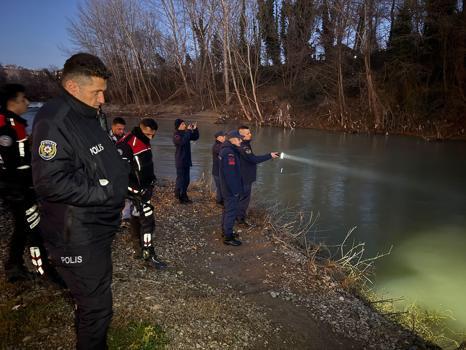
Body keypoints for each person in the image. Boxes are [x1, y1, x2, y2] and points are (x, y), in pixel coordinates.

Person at [31, 53, 128, 350]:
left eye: (104, 92)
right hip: (76, 234)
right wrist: (105, 192)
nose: (102, 99)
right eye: (96, 92)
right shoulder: (54, 120)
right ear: (72, 87)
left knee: (96, 294)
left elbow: (94, 158)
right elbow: (50, 181)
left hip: (97, 226)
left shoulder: (90, 113)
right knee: (96, 309)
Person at [0, 83, 56, 283]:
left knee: (22, 228)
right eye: (23, 99)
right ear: (12, 102)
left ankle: (14, 267)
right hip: (17, 189)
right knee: (34, 228)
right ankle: (45, 272)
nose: (27, 102)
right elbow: (8, 164)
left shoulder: (17, 124)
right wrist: (20, 189)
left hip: (21, 187)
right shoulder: (7, 127)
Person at [116, 118, 167, 269]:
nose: (151, 137)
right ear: (142, 128)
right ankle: (149, 254)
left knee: (137, 216)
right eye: (149, 134)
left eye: (153, 135)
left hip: (145, 187)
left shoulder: (143, 140)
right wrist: (134, 190)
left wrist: (151, 180)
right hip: (137, 189)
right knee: (148, 221)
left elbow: (144, 166)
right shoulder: (127, 143)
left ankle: (138, 250)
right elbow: (121, 170)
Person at [237, 126, 279, 227]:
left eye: (250, 132)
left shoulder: (242, 145)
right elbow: (253, 159)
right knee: (244, 199)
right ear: (242, 136)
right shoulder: (244, 147)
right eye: (248, 133)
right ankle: (240, 220)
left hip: (242, 176)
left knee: (240, 198)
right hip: (245, 177)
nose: (250, 134)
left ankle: (237, 216)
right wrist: (270, 155)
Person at [219, 130, 244, 246]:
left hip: (226, 187)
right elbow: (229, 174)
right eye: (239, 139)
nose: (241, 141)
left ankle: (225, 231)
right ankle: (228, 237)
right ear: (233, 139)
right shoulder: (229, 153)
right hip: (230, 189)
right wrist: (235, 191)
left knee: (227, 209)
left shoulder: (227, 149)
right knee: (231, 212)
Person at [173, 118, 199, 204]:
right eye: (183, 124)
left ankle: (178, 194)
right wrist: (188, 130)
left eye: (184, 124)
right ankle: (182, 197)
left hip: (187, 160)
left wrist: (195, 130)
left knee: (185, 179)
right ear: (179, 126)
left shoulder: (185, 133)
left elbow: (195, 137)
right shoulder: (176, 135)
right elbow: (182, 142)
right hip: (180, 160)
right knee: (182, 180)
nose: (184, 125)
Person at [211, 130, 226, 206]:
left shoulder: (222, 145)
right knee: (220, 187)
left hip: (221, 171)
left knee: (222, 187)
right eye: (224, 136)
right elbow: (224, 152)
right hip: (217, 172)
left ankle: (221, 201)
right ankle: (219, 202)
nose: (225, 137)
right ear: (219, 138)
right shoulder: (217, 146)